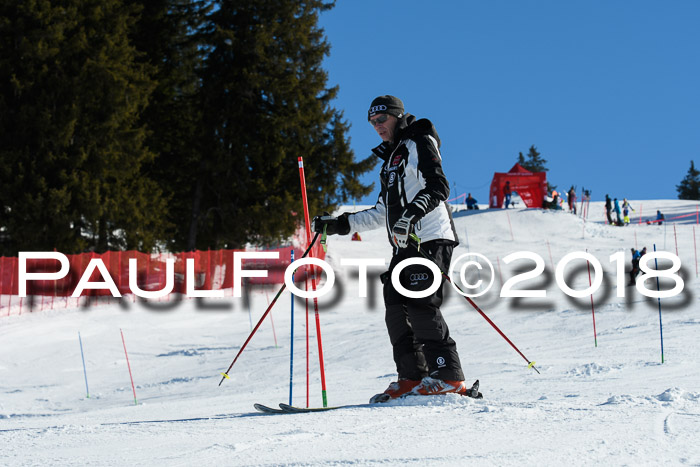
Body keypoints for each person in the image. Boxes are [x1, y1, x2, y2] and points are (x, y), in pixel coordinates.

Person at [311, 95, 473, 402]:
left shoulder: (419, 140)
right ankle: (412, 377)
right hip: (403, 244)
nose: (377, 127)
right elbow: (382, 211)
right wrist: (339, 225)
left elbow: (438, 186)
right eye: (372, 123)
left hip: (430, 237)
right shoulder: (391, 160)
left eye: (382, 120)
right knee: (396, 306)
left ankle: (449, 375)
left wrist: (412, 215)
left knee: (420, 302)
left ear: (398, 117)